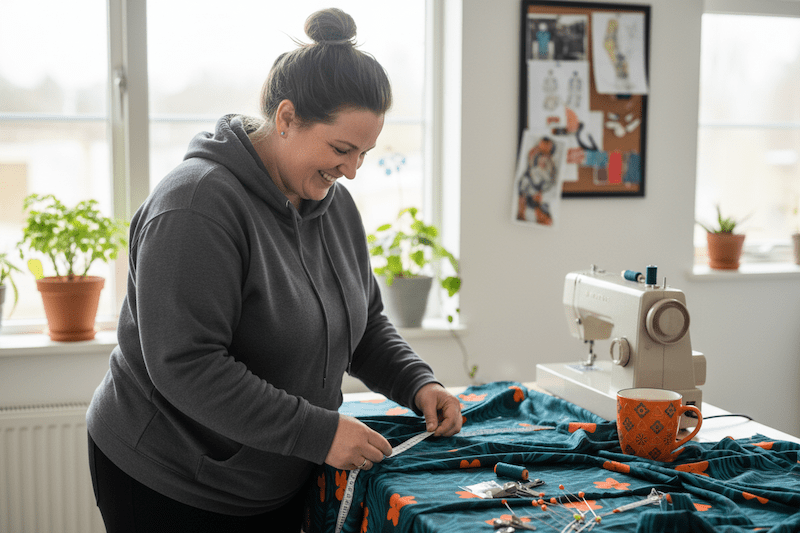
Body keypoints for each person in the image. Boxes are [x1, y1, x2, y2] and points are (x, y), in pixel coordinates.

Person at [86, 8, 462, 532]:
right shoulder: (195, 206)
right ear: (286, 118)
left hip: (271, 475)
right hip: (170, 479)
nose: (352, 170)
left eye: (365, 153)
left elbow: (364, 321)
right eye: (341, 149)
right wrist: (320, 433)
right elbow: (186, 364)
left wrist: (418, 383)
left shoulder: (332, 204)